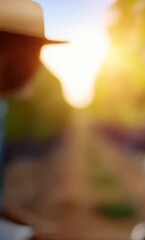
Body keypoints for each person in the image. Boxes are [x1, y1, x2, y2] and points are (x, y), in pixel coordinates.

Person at [0, 0, 66, 239]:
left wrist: (31, 228)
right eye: (33, 52)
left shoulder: (2, 105)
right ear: (7, 51)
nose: (38, 65)